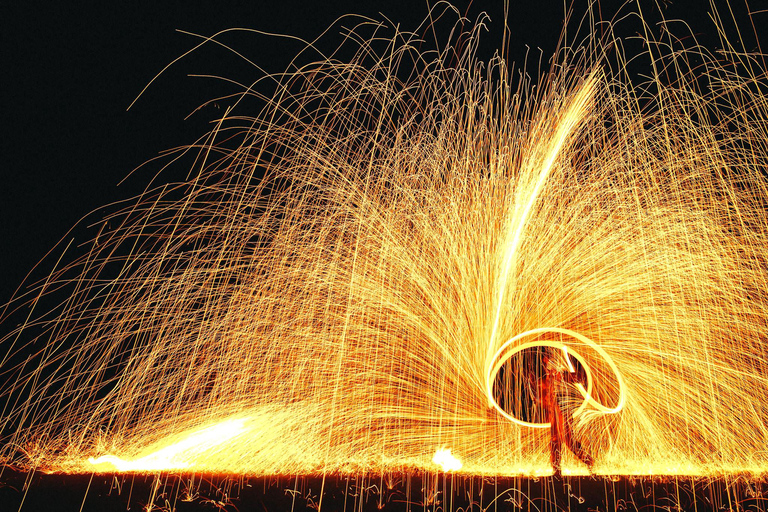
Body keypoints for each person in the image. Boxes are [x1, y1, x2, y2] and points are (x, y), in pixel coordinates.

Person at [538, 350, 595, 478]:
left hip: (563, 411)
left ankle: (589, 461)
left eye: (547, 361)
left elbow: (580, 378)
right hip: (554, 413)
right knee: (555, 441)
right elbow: (544, 398)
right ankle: (557, 470)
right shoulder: (547, 378)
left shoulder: (562, 375)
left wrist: (566, 375)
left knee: (569, 441)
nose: (546, 364)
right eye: (545, 361)